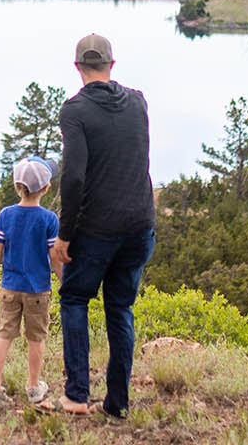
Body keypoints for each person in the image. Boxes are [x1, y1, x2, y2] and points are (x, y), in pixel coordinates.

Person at [40, 33, 155, 420]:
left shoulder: (75, 111)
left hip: (97, 231)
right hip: (140, 225)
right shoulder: (138, 101)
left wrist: (65, 235)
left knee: (74, 299)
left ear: (77, 68)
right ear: (111, 65)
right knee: (119, 308)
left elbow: (73, 178)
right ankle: (117, 402)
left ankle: (76, 395)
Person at [0, 156, 63, 405]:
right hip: (37, 290)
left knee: (3, 335)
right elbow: (54, 256)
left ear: (17, 186)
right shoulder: (48, 219)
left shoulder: (6, 215)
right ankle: (34, 387)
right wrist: (64, 282)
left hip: (9, 287)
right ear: (46, 188)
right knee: (36, 338)